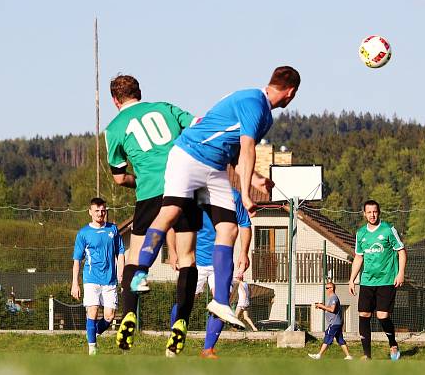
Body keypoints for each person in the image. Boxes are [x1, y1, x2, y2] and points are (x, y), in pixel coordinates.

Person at [120, 66, 300, 354]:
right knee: (170, 212)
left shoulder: (259, 108)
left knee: (228, 228)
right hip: (189, 156)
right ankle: (139, 273)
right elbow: (248, 147)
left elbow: (236, 153)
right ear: (291, 92)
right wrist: (245, 194)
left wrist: (253, 178)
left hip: (214, 167)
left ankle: (219, 300)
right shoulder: (255, 103)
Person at [104, 74, 202, 353]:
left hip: (149, 192)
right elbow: (197, 125)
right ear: (140, 92)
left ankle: (129, 314)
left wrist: (142, 179)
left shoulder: (114, 128)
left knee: (135, 257)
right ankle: (181, 321)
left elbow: (120, 178)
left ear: (115, 100)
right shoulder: (165, 108)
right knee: (187, 259)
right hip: (183, 186)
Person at [169, 188, 252, 359]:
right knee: (185, 301)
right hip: (193, 259)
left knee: (222, 302)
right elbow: (170, 222)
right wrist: (173, 251)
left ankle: (208, 350)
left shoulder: (233, 196)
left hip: (220, 261)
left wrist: (244, 252)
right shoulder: (191, 194)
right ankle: (175, 340)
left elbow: (244, 224)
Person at [349, 200, 407, 361]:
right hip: (367, 281)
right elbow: (359, 257)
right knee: (364, 314)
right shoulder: (361, 233)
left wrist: (400, 272)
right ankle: (366, 355)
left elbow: (401, 251)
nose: (372, 215)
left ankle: (393, 344)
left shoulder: (388, 229)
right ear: (364, 214)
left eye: (374, 212)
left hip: (387, 280)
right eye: (369, 212)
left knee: (382, 316)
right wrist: (352, 279)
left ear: (379, 212)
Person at [71, 197, 125, 355]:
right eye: (97, 211)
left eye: (103, 211)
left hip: (110, 280)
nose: (100, 213)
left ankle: (92, 334)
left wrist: (122, 272)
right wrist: (75, 283)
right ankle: (92, 350)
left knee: (109, 316)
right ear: (90, 212)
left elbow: (120, 252)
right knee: (93, 312)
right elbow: (76, 260)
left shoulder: (113, 230)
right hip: (91, 279)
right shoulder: (83, 233)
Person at [308, 282, 352, 360]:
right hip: (337, 323)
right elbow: (330, 309)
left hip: (334, 323)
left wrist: (322, 306)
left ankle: (319, 355)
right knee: (340, 340)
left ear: (332, 288)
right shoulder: (332, 298)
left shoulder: (333, 298)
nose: (326, 290)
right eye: (326, 288)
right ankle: (348, 356)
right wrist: (322, 307)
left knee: (327, 337)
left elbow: (332, 309)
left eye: (327, 288)